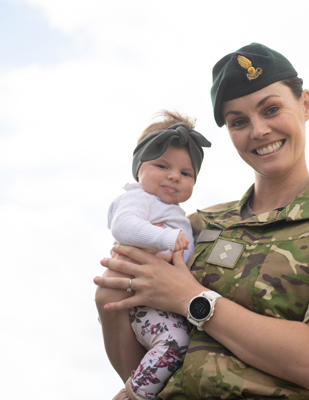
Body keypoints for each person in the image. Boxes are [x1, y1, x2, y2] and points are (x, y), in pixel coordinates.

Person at [95, 43, 309, 400]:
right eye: (239, 121)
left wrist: (193, 299)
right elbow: (146, 368)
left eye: (271, 109)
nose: (259, 130)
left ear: (306, 104)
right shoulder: (196, 226)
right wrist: (110, 301)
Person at [97, 111, 211, 400]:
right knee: (175, 342)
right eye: (162, 165)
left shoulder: (174, 211)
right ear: (139, 169)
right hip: (143, 301)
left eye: (186, 173)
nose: (174, 175)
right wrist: (166, 238)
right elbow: (123, 226)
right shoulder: (139, 198)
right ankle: (134, 393)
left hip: (164, 300)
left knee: (178, 344)